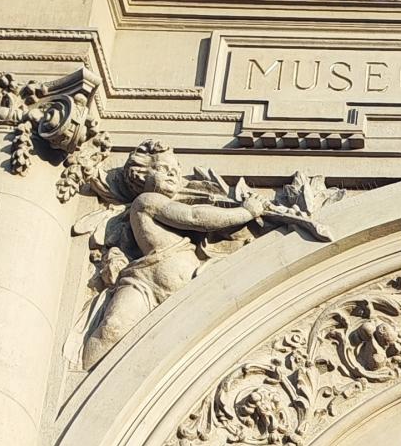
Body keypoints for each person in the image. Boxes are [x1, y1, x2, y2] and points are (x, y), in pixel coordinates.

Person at [81, 141, 270, 368]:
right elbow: (195, 217)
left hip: (189, 288)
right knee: (112, 327)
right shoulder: (147, 200)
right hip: (144, 285)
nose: (172, 175)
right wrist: (246, 211)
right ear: (140, 175)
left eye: (175, 172)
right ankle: (86, 374)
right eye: (163, 169)